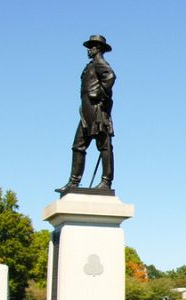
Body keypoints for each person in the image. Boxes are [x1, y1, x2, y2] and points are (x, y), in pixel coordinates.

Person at [60, 35, 116, 191]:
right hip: (86, 111)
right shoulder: (90, 65)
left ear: (97, 48)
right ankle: (74, 181)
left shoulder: (99, 63)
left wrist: (99, 93)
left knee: (104, 145)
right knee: (78, 145)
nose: (88, 50)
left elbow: (110, 76)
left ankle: (106, 181)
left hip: (96, 110)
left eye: (91, 47)